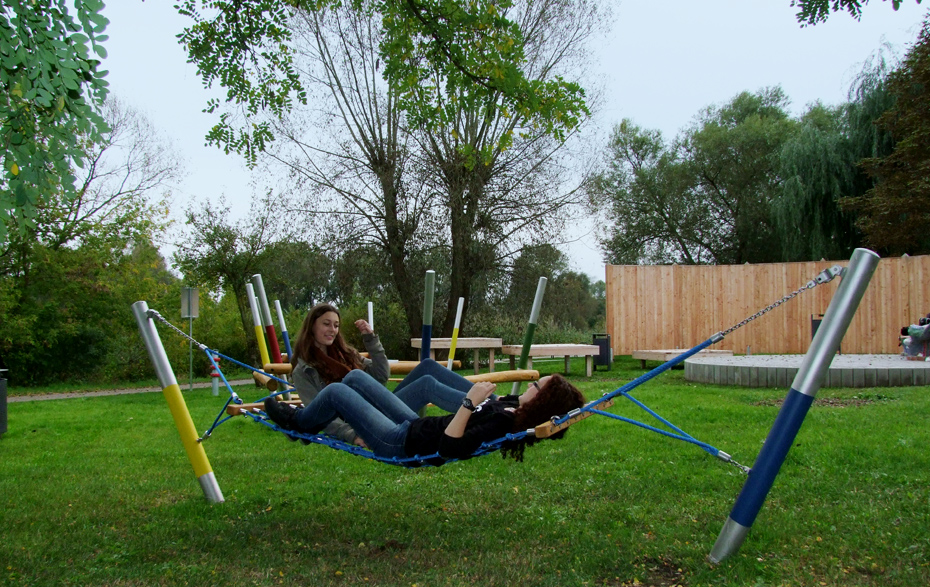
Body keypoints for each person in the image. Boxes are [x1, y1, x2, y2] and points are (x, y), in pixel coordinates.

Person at [263, 368, 586, 464]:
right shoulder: (513, 409)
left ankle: (297, 423)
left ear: (541, 401)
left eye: (535, 386)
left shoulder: (504, 421)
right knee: (354, 378)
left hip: (399, 443)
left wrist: (469, 404)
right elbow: (558, 411)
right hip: (413, 426)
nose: (529, 386)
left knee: (335, 392)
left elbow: (450, 448)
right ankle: (311, 421)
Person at [289, 303, 390, 446]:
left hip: (380, 410)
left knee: (427, 373)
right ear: (311, 326)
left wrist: (371, 339)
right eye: (326, 324)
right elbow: (317, 413)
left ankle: (428, 435)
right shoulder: (304, 371)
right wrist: (352, 435)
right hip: (363, 422)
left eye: (336, 326)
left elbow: (381, 375)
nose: (332, 330)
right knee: (353, 378)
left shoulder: (347, 354)